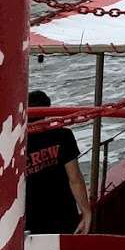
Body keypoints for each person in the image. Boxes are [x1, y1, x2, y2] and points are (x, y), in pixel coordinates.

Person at [26, 90, 92, 234]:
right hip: (64, 213)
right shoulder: (63, 135)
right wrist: (86, 212)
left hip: (29, 220)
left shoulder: (16, 143)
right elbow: (75, 179)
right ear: (47, 110)